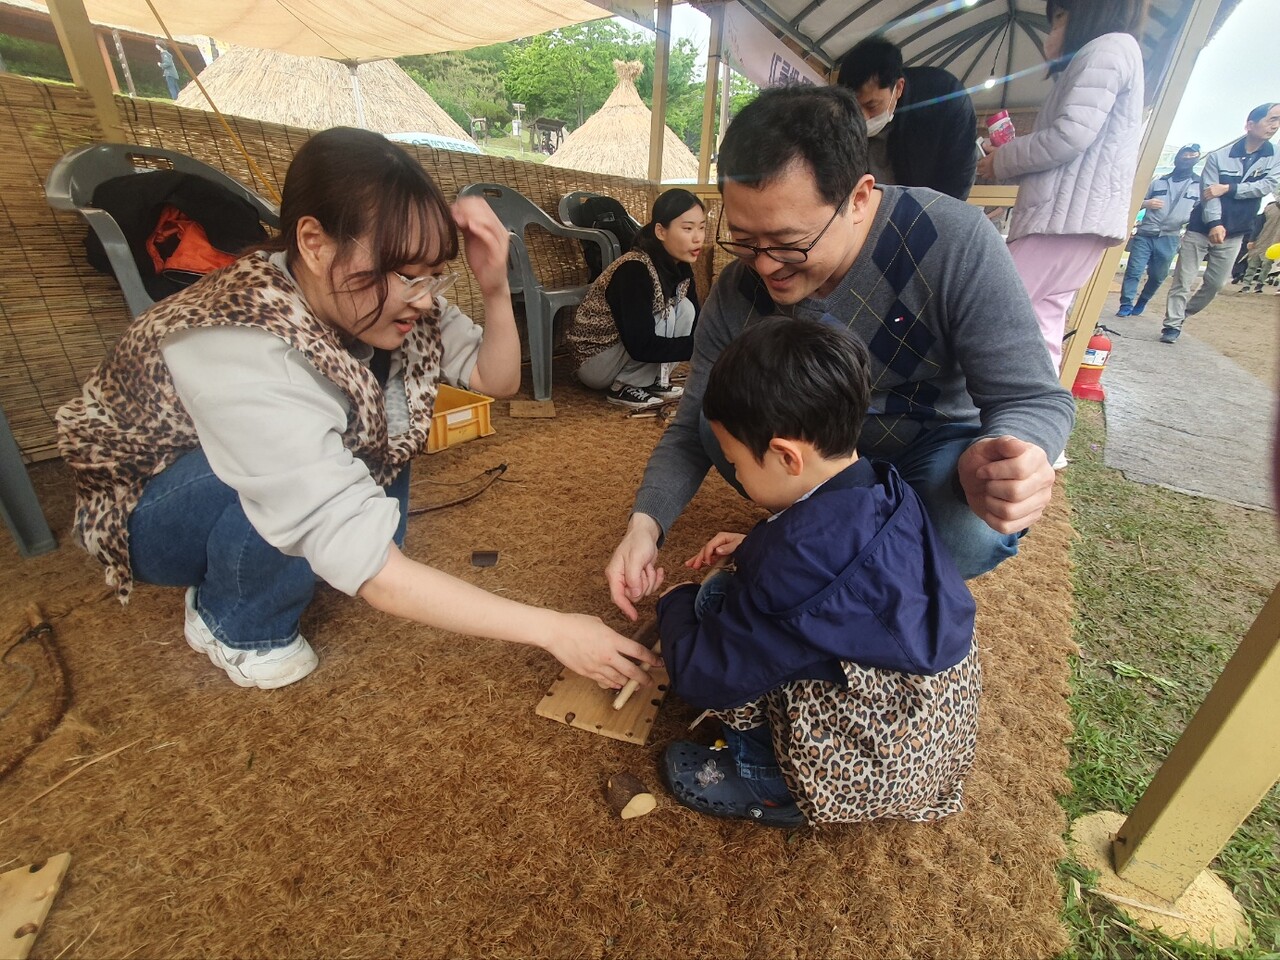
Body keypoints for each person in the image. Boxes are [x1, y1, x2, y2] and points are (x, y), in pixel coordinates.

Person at [57, 127, 659, 692]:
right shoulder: (237, 334)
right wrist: (553, 629)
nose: (424, 299)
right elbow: (370, 562)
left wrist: (496, 286)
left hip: (239, 465)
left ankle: (262, 566)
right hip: (148, 507)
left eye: (434, 276)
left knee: (357, 490)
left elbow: (494, 380)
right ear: (315, 243)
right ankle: (229, 620)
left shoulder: (384, 292)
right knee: (336, 505)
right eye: (407, 276)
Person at [604, 84, 1074, 618]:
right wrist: (646, 525)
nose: (763, 266)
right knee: (716, 427)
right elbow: (691, 424)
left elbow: (1036, 398)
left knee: (968, 532)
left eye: (787, 242)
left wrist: (1014, 452)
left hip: (925, 455)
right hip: (813, 461)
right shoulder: (740, 289)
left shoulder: (950, 240)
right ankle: (830, 541)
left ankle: (816, 543)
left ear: (857, 197)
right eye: (743, 239)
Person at [656, 318, 981, 828]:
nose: (735, 473)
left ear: (786, 456)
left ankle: (768, 783)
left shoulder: (785, 568)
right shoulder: (886, 489)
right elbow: (860, 575)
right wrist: (757, 544)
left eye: (736, 463)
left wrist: (673, 603)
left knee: (713, 602)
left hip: (861, 772)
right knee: (749, 602)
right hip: (933, 740)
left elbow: (704, 676)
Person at [976, 0, 1145, 371]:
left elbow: (1067, 137)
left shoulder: (1104, 50)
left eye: (1059, 20)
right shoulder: (1118, 50)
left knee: (988, 307)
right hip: (1080, 221)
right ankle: (1037, 422)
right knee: (1041, 323)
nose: (1051, 34)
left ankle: (976, 411)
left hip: (1063, 220)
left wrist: (1001, 160)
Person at [566, 189, 705, 410]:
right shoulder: (635, 269)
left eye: (702, 227)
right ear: (661, 231)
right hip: (595, 361)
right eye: (688, 228)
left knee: (686, 309)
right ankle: (624, 386)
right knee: (666, 313)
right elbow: (641, 345)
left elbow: (697, 324)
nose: (698, 237)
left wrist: (711, 345)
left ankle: (650, 381)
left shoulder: (681, 268)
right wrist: (703, 347)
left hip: (625, 353)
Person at [1160, 103, 1280, 343]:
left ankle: (1183, 314)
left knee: (1215, 283)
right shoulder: (1219, 157)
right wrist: (1214, 222)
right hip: (1201, 228)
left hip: (1236, 231)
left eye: (1277, 121)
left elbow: (1267, 186)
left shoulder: (1275, 157)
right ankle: (1171, 325)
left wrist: (1229, 187)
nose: (1274, 126)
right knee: (1183, 280)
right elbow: (1208, 195)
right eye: (1271, 119)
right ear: (1250, 124)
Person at [835, 36, 978, 201]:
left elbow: (958, 180)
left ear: (898, 88)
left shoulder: (945, 100)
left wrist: (932, 220)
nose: (863, 118)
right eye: (855, 107)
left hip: (920, 210)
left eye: (872, 106)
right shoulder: (839, 112)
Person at [1117, 144, 1202, 317]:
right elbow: (1134, 202)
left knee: (1158, 275)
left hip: (1170, 236)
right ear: (1177, 159)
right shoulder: (1159, 182)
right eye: (1184, 156)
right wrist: (1146, 203)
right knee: (1134, 269)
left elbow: (1201, 211)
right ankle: (1126, 303)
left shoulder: (1198, 186)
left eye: (1192, 157)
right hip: (1146, 232)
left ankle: (1143, 300)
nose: (1187, 160)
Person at [1240, 195, 1280, 293]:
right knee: (1252, 263)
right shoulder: (1270, 208)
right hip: (1260, 240)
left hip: (1275, 243)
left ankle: (1260, 284)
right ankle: (1246, 285)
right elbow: (1258, 225)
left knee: (1267, 264)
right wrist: (1252, 240)